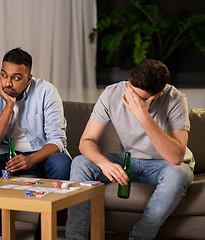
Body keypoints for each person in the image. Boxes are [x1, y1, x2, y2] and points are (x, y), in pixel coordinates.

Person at [65, 59, 194, 240]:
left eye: (139, 97)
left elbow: (176, 157)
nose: (130, 98)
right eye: (130, 89)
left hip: (165, 165)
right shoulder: (112, 93)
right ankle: (75, 238)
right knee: (80, 162)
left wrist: (142, 114)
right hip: (128, 161)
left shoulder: (175, 99)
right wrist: (104, 163)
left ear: (157, 95)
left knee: (179, 174)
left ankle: (139, 237)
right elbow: (86, 141)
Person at [0, 47, 72, 239]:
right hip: (6, 160)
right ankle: (0, 233)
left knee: (62, 163)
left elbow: (58, 141)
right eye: (4, 75)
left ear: (29, 78)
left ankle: (43, 235)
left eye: (16, 78)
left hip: (40, 157)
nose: (8, 83)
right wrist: (9, 105)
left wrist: (30, 160)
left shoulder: (46, 91)